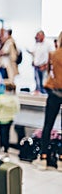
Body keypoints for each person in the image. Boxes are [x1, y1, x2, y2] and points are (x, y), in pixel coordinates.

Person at [33, 32, 62, 171]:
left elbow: (50, 72)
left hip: (54, 93)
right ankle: (61, 159)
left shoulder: (54, 54)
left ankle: (43, 158)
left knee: (48, 125)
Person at [0, 83, 20, 154]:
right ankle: (6, 149)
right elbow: (17, 110)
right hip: (10, 119)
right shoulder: (15, 99)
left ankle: (0, 147)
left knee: (0, 134)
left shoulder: (0, 97)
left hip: (0, 119)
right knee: (6, 134)